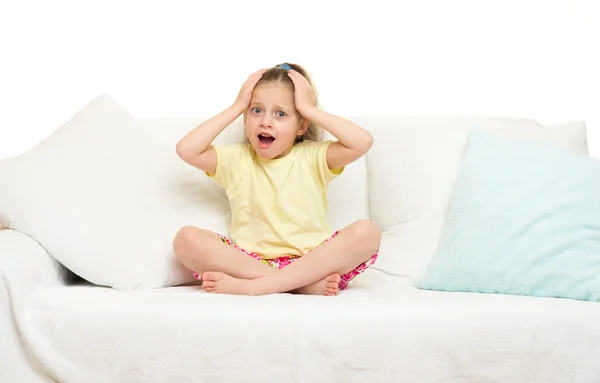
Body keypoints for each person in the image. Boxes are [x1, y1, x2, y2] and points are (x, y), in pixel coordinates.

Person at [173, 63, 381, 296]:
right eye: (256, 111)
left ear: (301, 126)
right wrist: (237, 106)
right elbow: (186, 150)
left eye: (280, 114)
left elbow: (362, 142)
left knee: (367, 232)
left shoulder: (313, 157)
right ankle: (298, 286)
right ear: (245, 118)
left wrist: (308, 109)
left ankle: (258, 287)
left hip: (313, 263)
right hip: (252, 264)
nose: (265, 122)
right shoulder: (236, 160)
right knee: (186, 239)